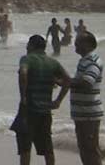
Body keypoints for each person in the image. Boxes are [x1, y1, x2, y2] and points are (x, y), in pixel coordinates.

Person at [14, 33, 71, 165]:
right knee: (47, 147)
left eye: (28, 44)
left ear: (32, 45)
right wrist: (58, 101)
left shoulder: (27, 59)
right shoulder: (53, 62)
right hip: (45, 111)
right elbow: (67, 80)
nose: (26, 47)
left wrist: (23, 97)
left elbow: (23, 73)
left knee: (25, 147)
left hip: (29, 109)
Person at [70, 30, 103, 165]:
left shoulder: (93, 61)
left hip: (89, 113)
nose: (75, 44)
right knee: (83, 148)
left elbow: (86, 83)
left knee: (91, 148)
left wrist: (65, 81)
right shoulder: (83, 61)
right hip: (81, 113)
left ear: (88, 44)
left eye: (78, 42)